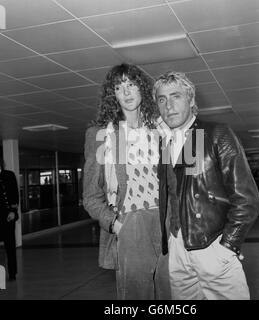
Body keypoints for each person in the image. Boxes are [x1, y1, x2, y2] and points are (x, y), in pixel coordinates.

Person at [153, 71, 259, 300]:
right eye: (162, 99)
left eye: (176, 96)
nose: (168, 105)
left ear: (191, 100)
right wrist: (172, 243)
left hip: (212, 245)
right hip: (178, 248)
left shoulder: (215, 134)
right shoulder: (165, 145)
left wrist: (227, 247)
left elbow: (247, 199)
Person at [83, 63, 169, 299]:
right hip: (131, 222)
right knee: (137, 296)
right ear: (113, 96)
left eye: (131, 85)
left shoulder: (161, 129)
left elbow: (186, 175)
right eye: (119, 88)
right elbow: (91, 196)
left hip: (167, 221)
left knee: (172, 294)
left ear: (142, 88)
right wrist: (115, 224)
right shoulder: (102, 134)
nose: (127, 92)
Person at [0, 157, 19, 281]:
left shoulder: (8, 175)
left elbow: (14, 194)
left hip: (7, 216)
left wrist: (13, 211)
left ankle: (12, 273)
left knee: (10, 246)